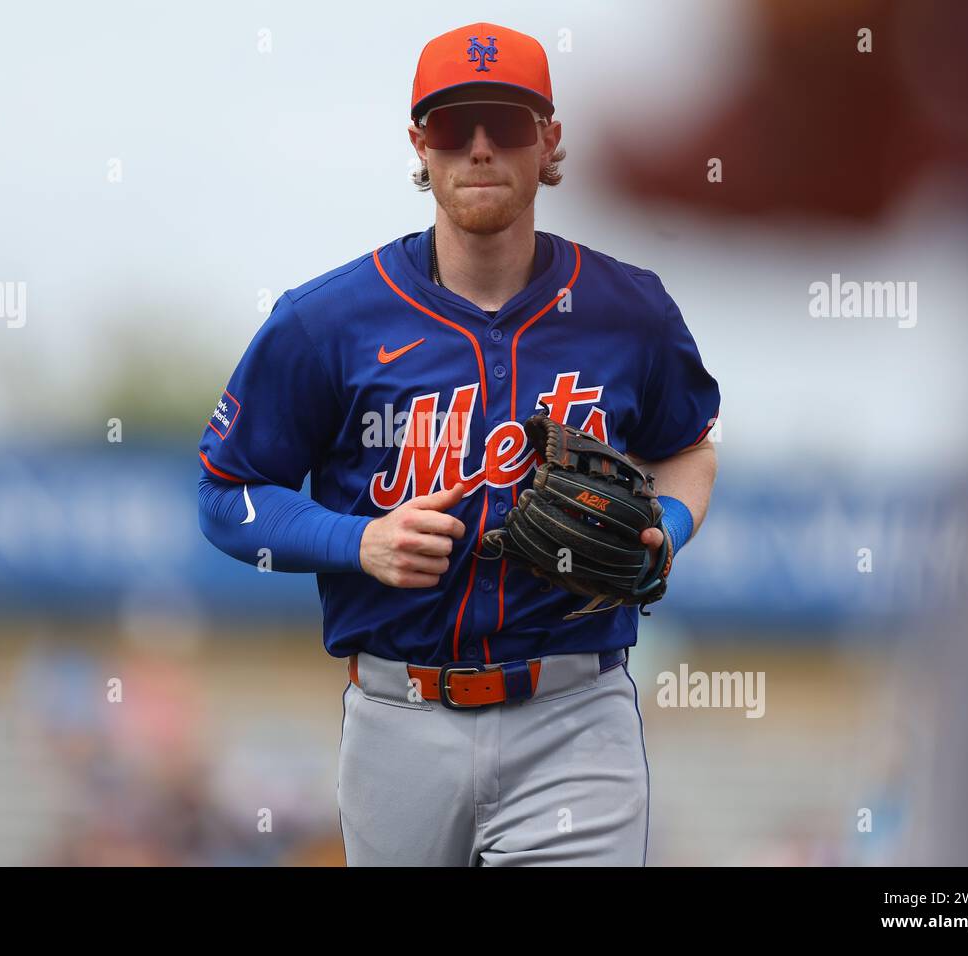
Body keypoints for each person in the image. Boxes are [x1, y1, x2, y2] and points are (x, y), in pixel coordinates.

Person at [197, 22, 720, 866]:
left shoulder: (630, 311)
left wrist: (667, 526)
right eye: (452, 124)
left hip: (575, 713)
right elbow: (225, 493)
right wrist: (355, 538)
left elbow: (689, 445)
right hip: (396, 716)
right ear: (420, 142)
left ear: (548, 139)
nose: (479, 148)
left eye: (507, 123)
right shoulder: (325, 320)